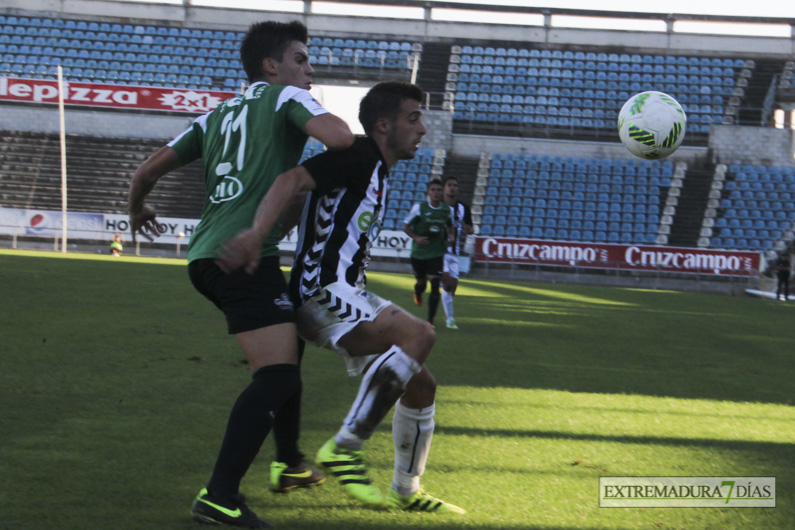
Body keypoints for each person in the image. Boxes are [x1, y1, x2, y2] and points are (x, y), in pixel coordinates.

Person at [127, 20, 354, 529]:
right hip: (241, 256)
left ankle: (290, 462)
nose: (310, 70)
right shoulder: (280, 99)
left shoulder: (212, 117)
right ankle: (220, 495)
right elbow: (339, 138)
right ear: (271, 67)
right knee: (275, 375)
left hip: (205, 255)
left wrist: (138, 210)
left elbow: (144, 173)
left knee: (289, 345)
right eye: (301, 59)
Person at [217, 81, 466, 515]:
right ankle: (346, 446)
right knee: (420, 334)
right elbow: (293, 178)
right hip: (321, 293)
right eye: (414, 118)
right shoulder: (360, 154)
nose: (423, 129)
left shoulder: (376, 169)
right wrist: (258, 235)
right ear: (383, 125)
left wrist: (286, 224)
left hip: (343, 293)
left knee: (422, 384)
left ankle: (406, 491)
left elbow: (305, 194)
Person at [402, 179, 453, 328]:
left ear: (442, 192)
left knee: (435, 284)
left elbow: (450, 226)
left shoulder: (446, 210)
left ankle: (430, 322)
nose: (436, 193)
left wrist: (451, 237)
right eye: (433, 190)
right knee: (421, 283)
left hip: (436, 252)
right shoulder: (420, 208)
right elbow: (405, 226)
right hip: (419, 253)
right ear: (429, 193)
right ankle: (417, 292)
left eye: (439, 190)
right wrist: (416, 237)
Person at [440, 176, 473, 329]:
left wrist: (469, 229)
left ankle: (439, 291)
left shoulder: (464, 208)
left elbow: (471, 227)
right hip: (439, 252)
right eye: (449, 185)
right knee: (447, 286)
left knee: (451, 288)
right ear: (444, 188)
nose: (452, 188)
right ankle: (450, 320)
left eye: (455, 185)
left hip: (455, 253)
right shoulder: (438, 206)